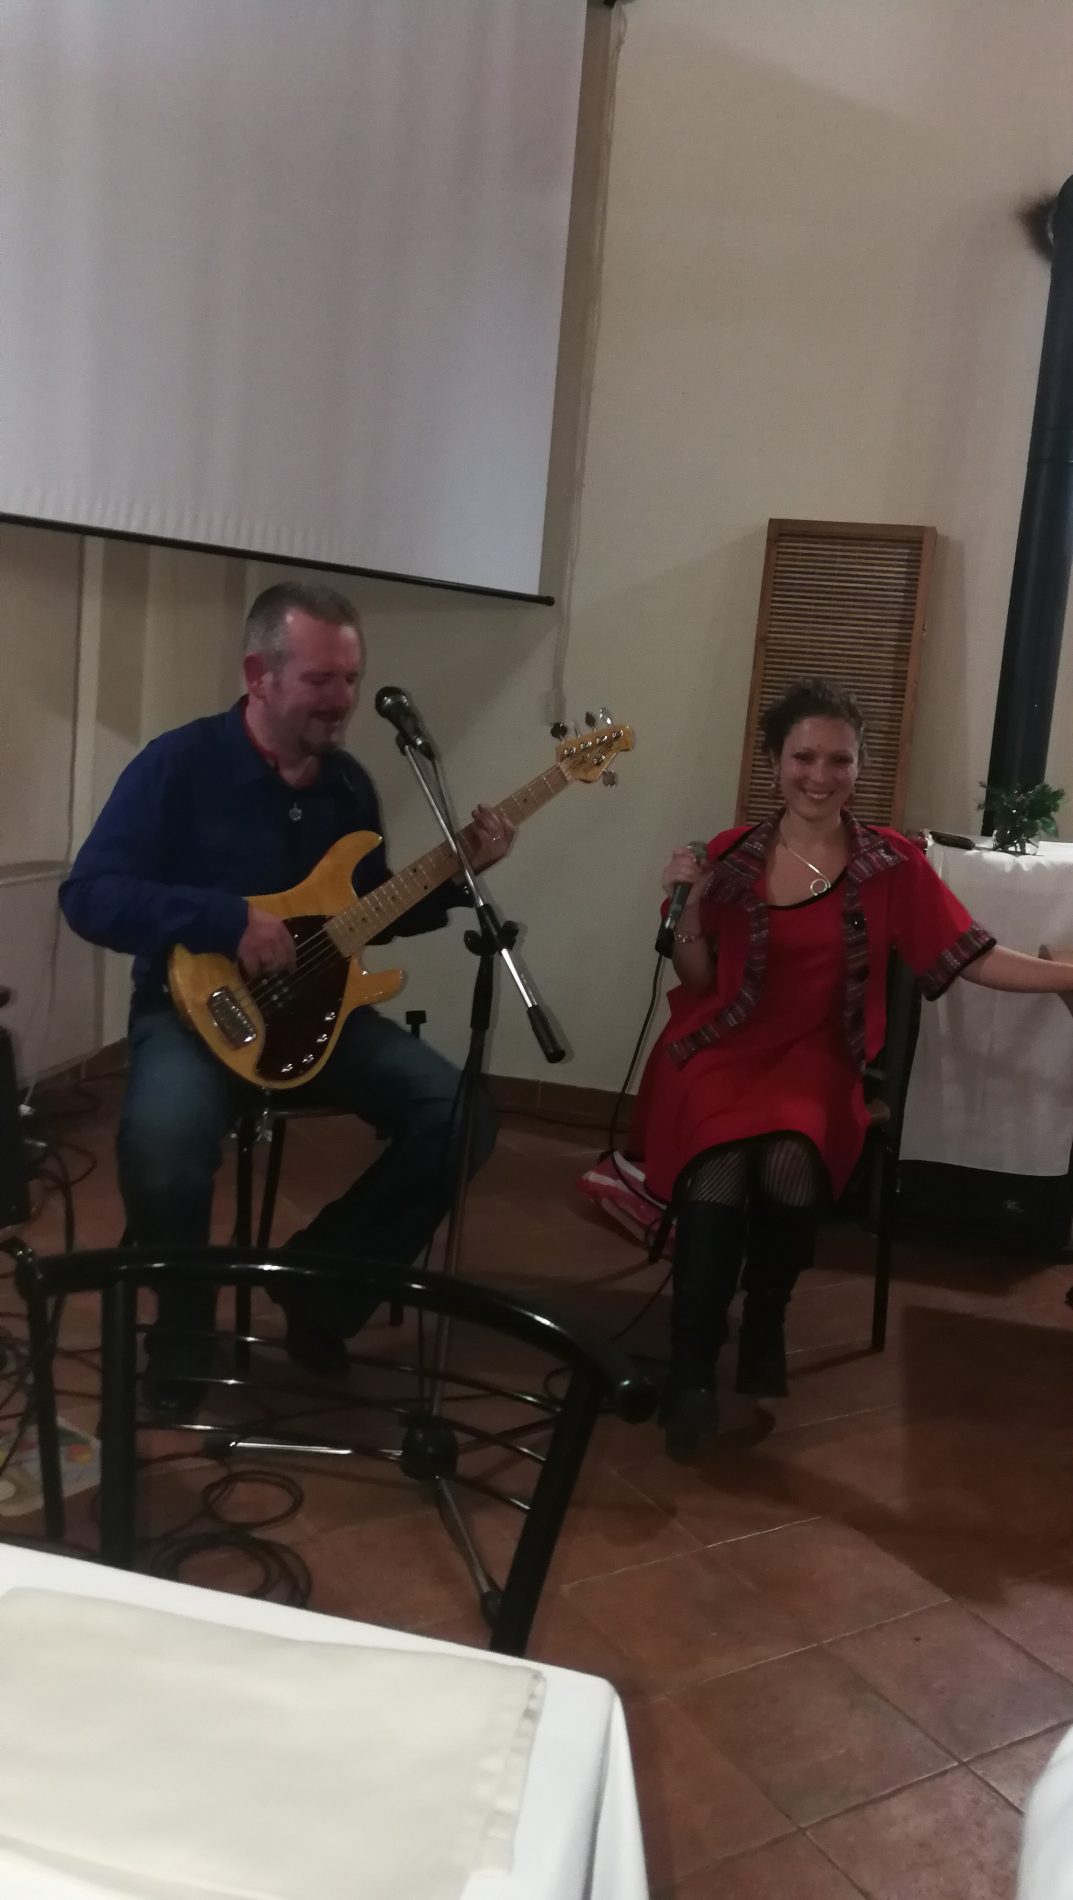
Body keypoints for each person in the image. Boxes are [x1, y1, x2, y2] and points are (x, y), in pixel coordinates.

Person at [60, 580, 514, 1414]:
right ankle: (183, 1340)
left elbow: (365, 912)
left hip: (322, 1016)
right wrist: (224, 918)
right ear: (258, 675)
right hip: (191, 1015)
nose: (341, 700)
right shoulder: (177, 765)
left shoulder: (348, 788)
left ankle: (323, 1288)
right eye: (320, 679)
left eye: (350, 678)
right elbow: (89, 896)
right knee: (162, 1146)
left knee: (458, 1118)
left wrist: (459, 876)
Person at [633, 676, 1073, 1460]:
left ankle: (764, 1317)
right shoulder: (728, 855)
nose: (819, 775)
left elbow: (969, 956)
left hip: (815, 1059)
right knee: (720, 1167)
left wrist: (1066, 975)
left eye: (838, 760)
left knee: (789, 1158)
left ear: (857, 768)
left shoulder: (888, 864)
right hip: (720, 1050)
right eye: (803, 757)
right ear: (774, 762)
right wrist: (687, 912)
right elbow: (697, 981)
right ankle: (691, 1366)